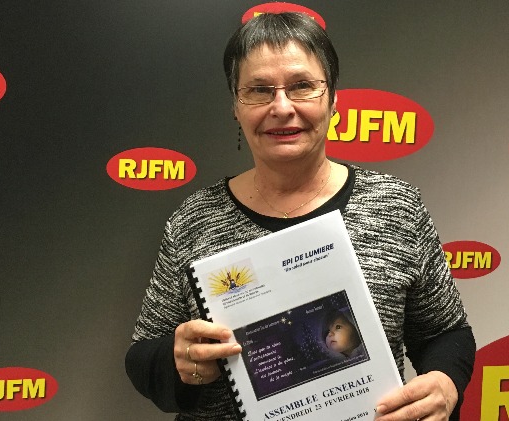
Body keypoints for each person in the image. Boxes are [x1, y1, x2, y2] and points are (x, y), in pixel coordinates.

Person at [125, 11, 475, 421]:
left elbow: (445, 333)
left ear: (333, 99)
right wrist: (178, 360)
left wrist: (445, 384)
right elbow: (143, 355)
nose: (281, 107)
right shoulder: (194, 220)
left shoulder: (396, 205)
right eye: (258, 90)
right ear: (236, 106)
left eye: (302, 86)